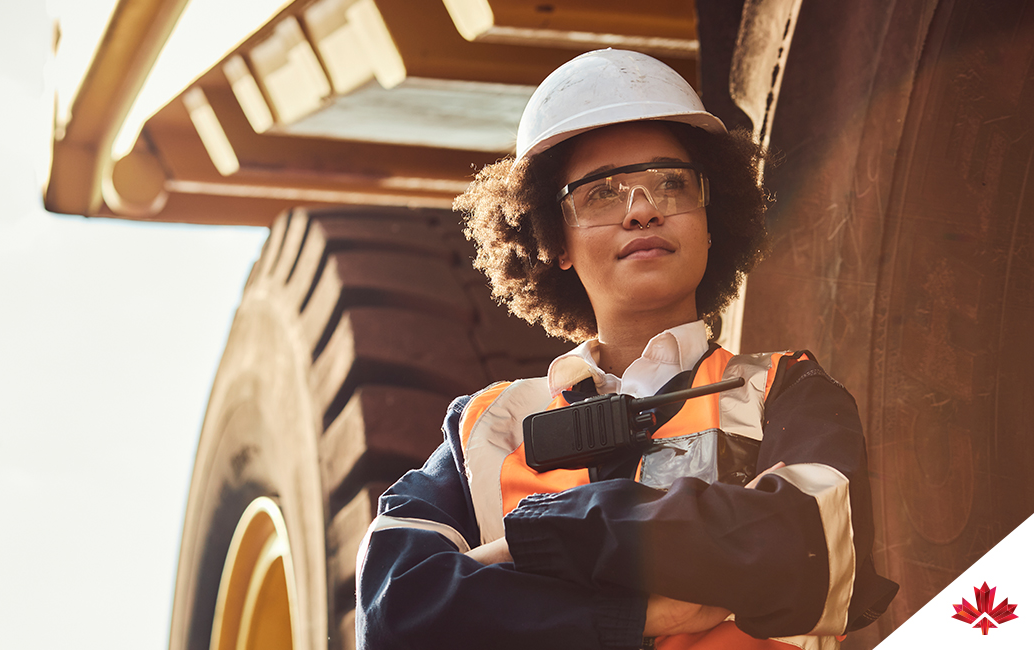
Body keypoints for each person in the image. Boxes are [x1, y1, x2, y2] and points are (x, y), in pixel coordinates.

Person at [355, 49, 897, 650]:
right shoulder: (487, 428)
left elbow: (807, 550)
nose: (643, 209)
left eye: (672, 183)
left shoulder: (785, 393)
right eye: (602, 194)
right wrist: (636, 617)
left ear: (711, 220)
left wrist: (536, 542)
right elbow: (394, 611)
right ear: (553, 237)